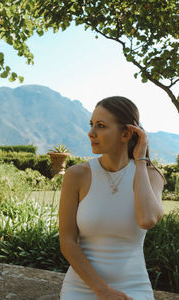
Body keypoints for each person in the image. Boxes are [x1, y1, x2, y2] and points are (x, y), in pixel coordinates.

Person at [59, 96, 166, 300]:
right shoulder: (76, 175)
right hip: (82, 286)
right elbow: (68, 241)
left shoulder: (151, 176)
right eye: (91, 125)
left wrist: (141, 160)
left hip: (134, 286)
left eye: (101, 126)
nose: (91, 133)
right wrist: (103, 290)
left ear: (126, 134)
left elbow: (147, 219)